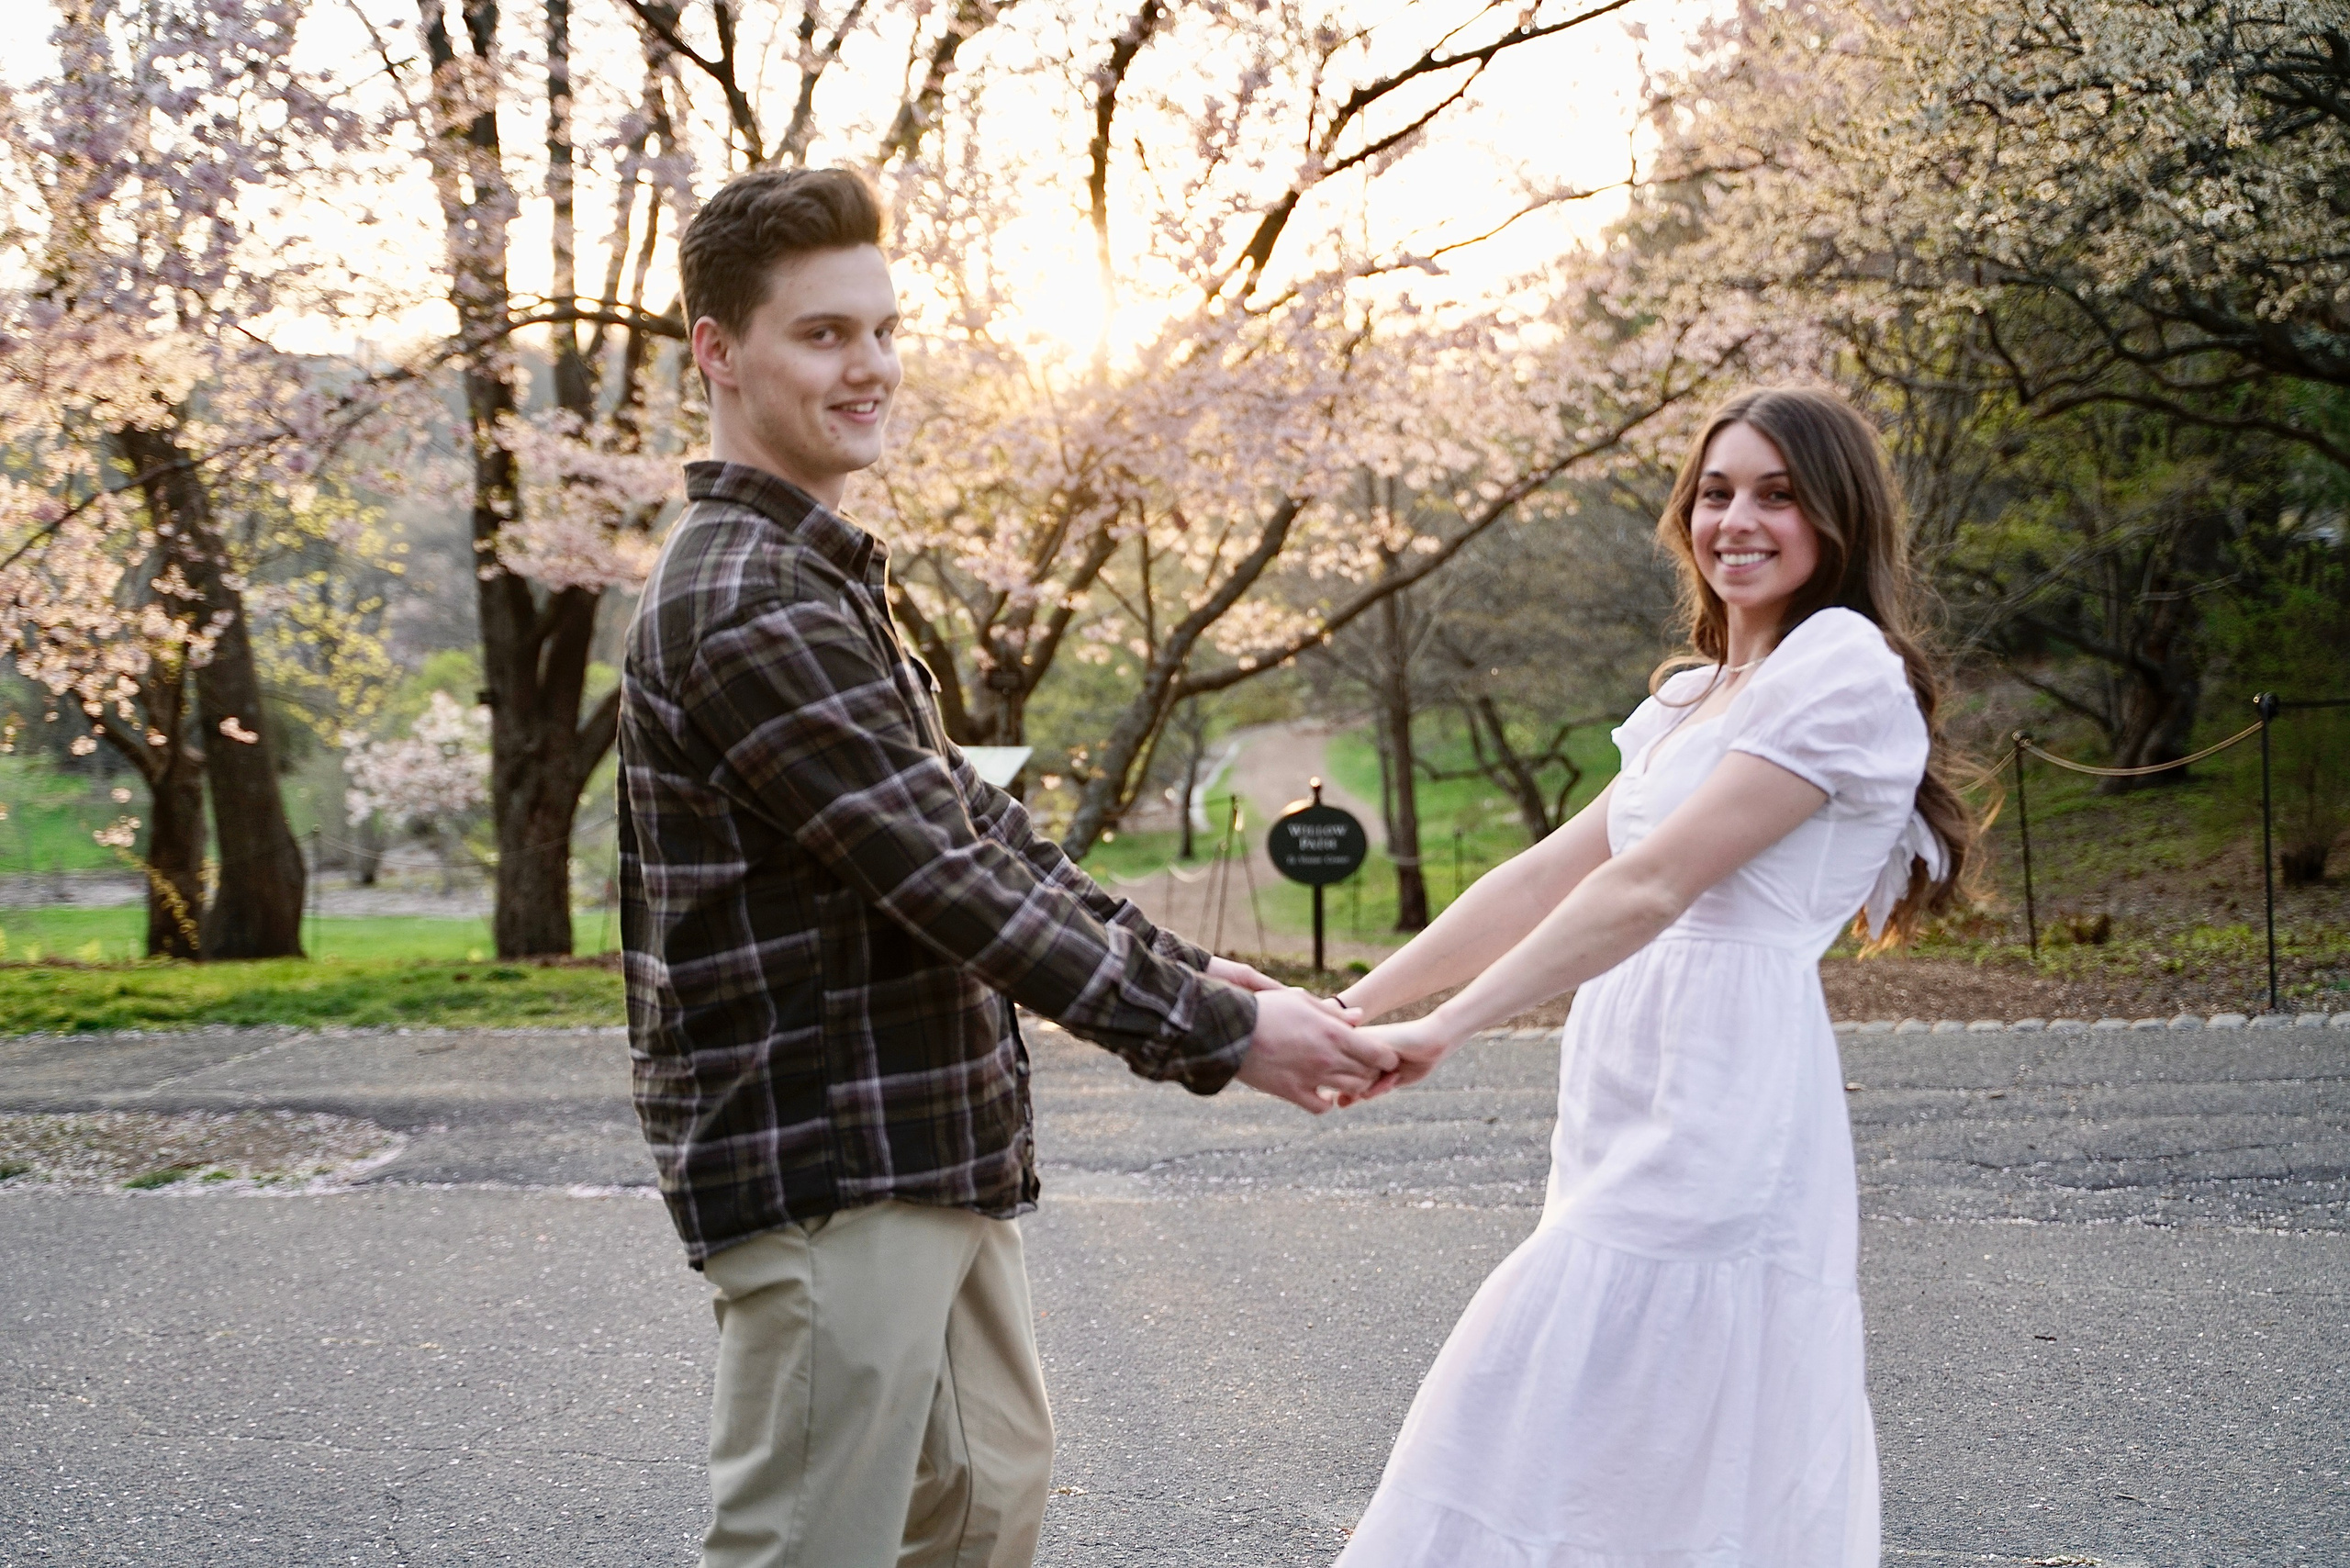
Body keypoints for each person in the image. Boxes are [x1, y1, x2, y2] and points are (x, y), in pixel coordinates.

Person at [614, 166, 1393, 1568]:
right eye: (823, 334)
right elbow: (943, 878)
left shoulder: (821, 573)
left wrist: (1174, 966)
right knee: (811, 1543)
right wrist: (1218, 1036)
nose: (870, 368)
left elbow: (982, 833)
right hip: (827, 1155)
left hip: (928, 1144)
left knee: (982, 1502)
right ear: (718, 354)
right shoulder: (745, 601)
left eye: (880, 330)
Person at [1331, 386, 1978, 1565]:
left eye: (1778, 494)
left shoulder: (1842, 670)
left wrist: (1451, 1028)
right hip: (1632, 1075)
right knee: (1604, 1415)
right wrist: (1362, 1002)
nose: (1739, 517)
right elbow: (1540, 879)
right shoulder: (1689, 698)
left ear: (1839, 519)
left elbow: (1654, 885)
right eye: (1717, 490)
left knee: (1559, 1384)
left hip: (1729, 1086)